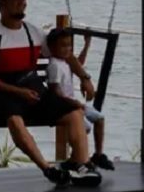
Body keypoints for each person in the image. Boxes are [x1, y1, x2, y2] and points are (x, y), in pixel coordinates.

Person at [0, 0, 101, 187]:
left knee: (74, 112)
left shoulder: (33, 32)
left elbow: (65, 55)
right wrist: (18, 92)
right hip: (4, 93)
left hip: (33, 90)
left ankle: (81, 164)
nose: (22, 3)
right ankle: (47, 168)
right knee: (14, 120)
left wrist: (85, 78)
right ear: (1, 4)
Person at [46, 28, 115, 171]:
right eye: (63, 45)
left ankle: (98, 154)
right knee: (85, 127)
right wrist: (74, 103)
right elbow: (55, 91)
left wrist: (86, 44)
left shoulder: (65, 61)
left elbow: (80, 62)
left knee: (99, 118)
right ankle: (76, 159)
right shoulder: (54, 66)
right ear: (52, 47)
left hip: (73, 103)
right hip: (65, 105)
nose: (67, 49)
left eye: (69, 45)